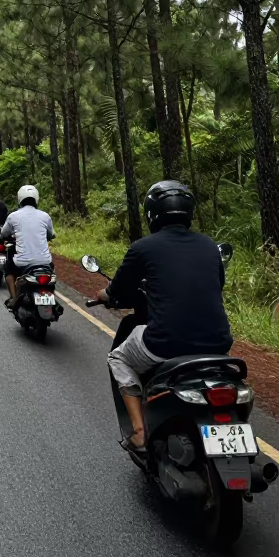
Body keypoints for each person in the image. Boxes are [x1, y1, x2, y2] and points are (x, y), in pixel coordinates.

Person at [96, 179, 232, 454]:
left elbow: (119, 288)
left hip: (165, 342)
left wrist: (106, 295)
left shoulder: (142, 248)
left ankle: (138, 431)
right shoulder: (209, 246)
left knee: (118, 357)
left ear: (151, 213)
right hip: (219, 344)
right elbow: (218, 284)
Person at [0, 185, 54, 308]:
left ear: (20, 199)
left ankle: (14, 299)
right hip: (44, 262)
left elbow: (3, 233)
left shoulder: (13, 216)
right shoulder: (45, 216)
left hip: (23, 263)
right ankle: (50, 294)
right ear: (36, 199)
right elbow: (51, 235)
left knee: (8, 269)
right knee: (51, 270)